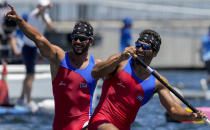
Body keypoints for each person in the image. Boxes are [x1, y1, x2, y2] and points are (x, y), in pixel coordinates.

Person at [5, 3, 102, 130]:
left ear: (90, 41)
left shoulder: (97, 66)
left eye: (82, 39)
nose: (77, 41)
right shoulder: (58, 58)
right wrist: (20, 21)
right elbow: (38, 38)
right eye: (75, 38)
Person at [88, 29, 207, 129]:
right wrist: (119, 58)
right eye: (138, 45)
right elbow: (95, 73)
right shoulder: (120, 62)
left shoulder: (157, 82)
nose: (139, 49)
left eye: (144, 47)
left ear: (154, 53)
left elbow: (174, 110)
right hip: (100, 122)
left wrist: (191, 116)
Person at [17, 0, 54, 111]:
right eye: (43, 7)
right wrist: (44, 8)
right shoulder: (34, 14)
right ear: (39, 6)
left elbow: (51, 27)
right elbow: (38, 12)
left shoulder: (44, 15)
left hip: (34, 48)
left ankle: (21, 98)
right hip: (28, 48)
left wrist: (45, 12)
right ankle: (28, 101)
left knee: (29, 74)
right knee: (30, 75)